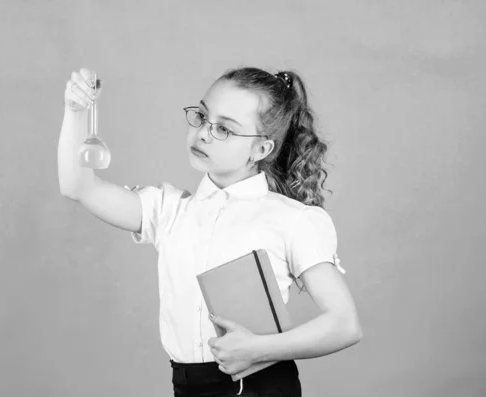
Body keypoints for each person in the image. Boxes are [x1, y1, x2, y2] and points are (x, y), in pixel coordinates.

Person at [58, 66, 362, 397]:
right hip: (188, 386)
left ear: (261, 150)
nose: (203, 133)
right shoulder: (169, 210)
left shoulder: (292, 219)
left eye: (224, 130)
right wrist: (76, 112)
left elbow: (344, 324)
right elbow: (79, 186)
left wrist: (258, 349)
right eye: (202, 117)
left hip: (259, 386)